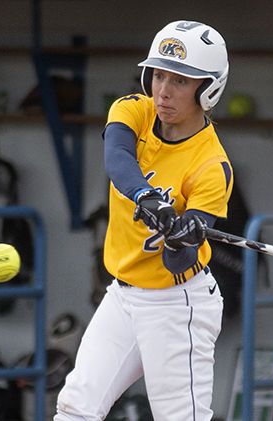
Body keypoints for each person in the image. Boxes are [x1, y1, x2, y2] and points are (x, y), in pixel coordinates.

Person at [54, 20, 233, 421]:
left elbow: (181, 263)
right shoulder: (134, 109)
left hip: (177, 303)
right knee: (76, 407)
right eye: (158, 75)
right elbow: (118, 157)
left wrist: (180, 237)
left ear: (208, 89)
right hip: (123, 295)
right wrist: (149, 198)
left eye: (181, 81)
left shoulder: (211, 166)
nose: (163, 90)